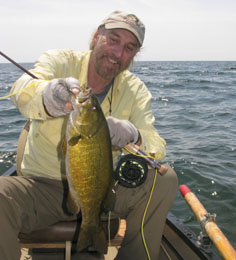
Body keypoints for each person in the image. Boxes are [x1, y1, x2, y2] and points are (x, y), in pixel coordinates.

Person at [1, 11, 178, 260]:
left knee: (165, 178)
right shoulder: (60, 61)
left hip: (101, 186)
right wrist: (46, 95)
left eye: (129, 47)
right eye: (113, 39)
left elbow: (156, 145)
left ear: (134, 55)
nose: (118, 53)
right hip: (41, 188)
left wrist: (134, 135)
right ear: (96, 36)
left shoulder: (135, 90)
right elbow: (21, 90)